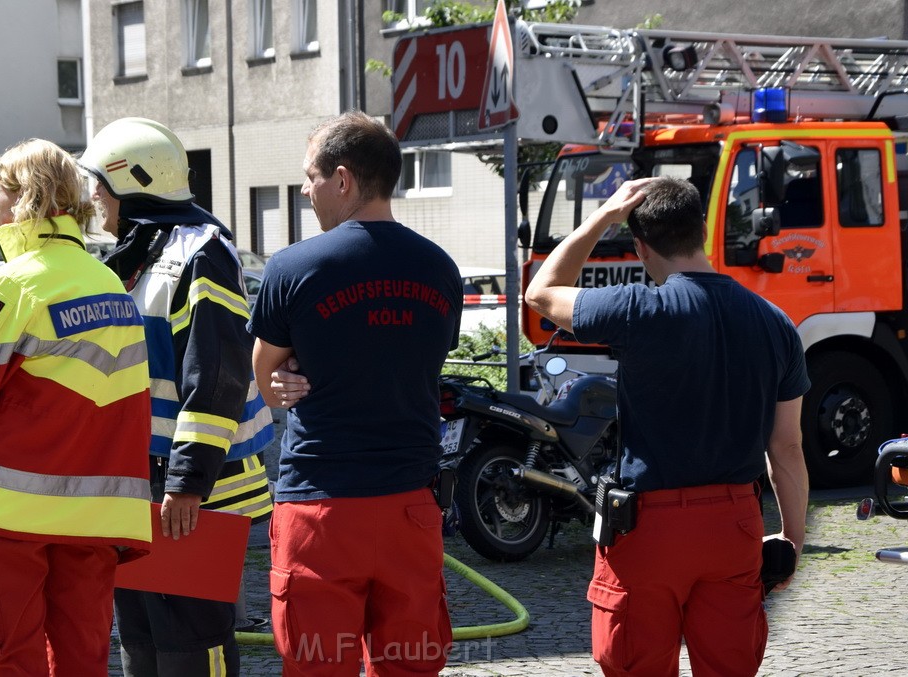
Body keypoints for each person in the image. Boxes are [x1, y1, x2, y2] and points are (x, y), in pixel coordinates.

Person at [524, 176, 810, 676]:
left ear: (640, 246)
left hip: (650, 527)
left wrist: (602, 216)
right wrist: (790, 540)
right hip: (734, 524)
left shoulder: (637, 308)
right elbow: (786, 447)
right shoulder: (775, 322)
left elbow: (540, 293)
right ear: (701, 228)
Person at [248, 110, 462, 676]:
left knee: (318, 665)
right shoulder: (440, 269)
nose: (304, 190)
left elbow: (266, 380)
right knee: (410, 665)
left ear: (342, 179)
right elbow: (418, 362)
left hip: (321, 505)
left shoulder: (293, 267)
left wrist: (290, 371)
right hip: (410, 505)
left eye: (310, 177)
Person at [0, 138, 153, 676]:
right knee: (81, 659)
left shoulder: (9, 285)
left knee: (4, 655)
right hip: (96, 515)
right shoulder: (110, 284)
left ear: (25, 199)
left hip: (10, 516)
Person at [78, 116, 274, 677]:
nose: (94, 196)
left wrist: (188, 483)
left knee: (191, 645)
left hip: (196, 495)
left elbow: (216, 377)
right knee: (140, 639)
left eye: (101, 183)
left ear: (132, 183)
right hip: (143, 485)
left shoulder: (200, 253)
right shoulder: (136, 254)